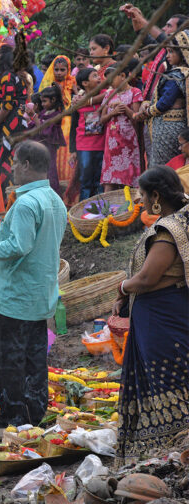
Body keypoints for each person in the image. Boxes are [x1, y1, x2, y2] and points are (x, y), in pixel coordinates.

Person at [0, 141, 67, 427]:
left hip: (15, 297)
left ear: (27, 165)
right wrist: (1, 235)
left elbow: (19, 247)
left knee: (9, 359)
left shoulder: (25, 203)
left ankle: (12, 414)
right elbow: (32, 242)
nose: (12, 170)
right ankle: (34, 411)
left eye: (16, 164)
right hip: (39, 295)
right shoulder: (54, 200)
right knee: (34, 357)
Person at [113, 165, 189, 460]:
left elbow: (147, 278)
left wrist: (122, 288)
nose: (139, 202)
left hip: (161, 320)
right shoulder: (184, 218)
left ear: (156, 195)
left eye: (142, 195)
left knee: (167, 384)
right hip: (171, 313)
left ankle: (170, 450)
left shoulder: (168, 231)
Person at [134, 31, 189, 166]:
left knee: (163, 167)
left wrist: (146, 113)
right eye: (167, 51)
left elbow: (165, 102)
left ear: (182, 52)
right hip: (171, 125)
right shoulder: (179, 73)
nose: (168, 56)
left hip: (168, 128)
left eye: (171, 52)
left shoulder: (178, 75)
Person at [0, 44, 29, 188]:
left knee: (6, 157)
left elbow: (7, 105)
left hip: (11, 122)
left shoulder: (7, 77)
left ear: (1, 57)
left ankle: (10, 193)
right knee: (10, 156)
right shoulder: (13, 75)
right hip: (15, 120)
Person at [100, 59, 144, 191]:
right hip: (111, 143)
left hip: (128, 143)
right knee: (109, 178)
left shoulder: (135, 92)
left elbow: (137, 118)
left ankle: (129, 208)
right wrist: (112, 113)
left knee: (128, 178)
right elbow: (102, 120)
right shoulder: (108, 94)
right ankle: (107, 208)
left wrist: (125, 108)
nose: (110, 83)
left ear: (123, 76)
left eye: (112, 79)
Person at [39, 56, 77, 185]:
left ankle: (67, 181)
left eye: (62, 70)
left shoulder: (72, 82)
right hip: (54, 122)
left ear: (68, 70)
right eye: (56, 69)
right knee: (54, 154)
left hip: (70, 121)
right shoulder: (48, 84)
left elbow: (77, 98)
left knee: (66, 152)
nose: (59, 72)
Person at [69, 68, 106, 199]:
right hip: (84, 147)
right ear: (85, 83)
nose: (99, 77)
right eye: (95, 76)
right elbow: (73, 126)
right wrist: (72, 150)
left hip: (102, 145)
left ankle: (102, 210)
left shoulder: (105, 95)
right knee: (85, 180)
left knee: (100, 180)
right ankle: (84, 211)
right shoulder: (77, 101)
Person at [28, 85, 66, 194]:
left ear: (53, 100)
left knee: (50, 170)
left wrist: (34, 117)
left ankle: (53, 193)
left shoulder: (57, 114)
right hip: (40, 146)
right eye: (41, 101)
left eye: (44, 101)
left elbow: (44, 128)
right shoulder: (45, 112)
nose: (43, 104)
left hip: (49, 147)